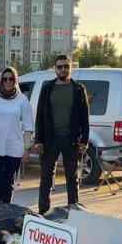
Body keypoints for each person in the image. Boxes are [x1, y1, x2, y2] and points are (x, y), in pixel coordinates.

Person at [33, 54, 90, 215]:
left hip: (71, 140)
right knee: (46, 177)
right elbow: (40, 115)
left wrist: (84, 140)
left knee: (72, 178)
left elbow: (85, 117)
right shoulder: (47, 88)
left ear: (71, 68)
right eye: (60, 67)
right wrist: (38, 140)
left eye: (66, 66)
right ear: (55, 69)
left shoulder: (79, 89)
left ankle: (74, 212)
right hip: (50, 139)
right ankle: (43, 212)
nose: (63, 69)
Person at [0, 67, 34, 206]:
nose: (8, 82)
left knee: (8, 182)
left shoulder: (22, 100)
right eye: (5, 79)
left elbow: (28, 127)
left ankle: (6, 212)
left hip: (14, 148)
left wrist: (27, 148)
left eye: (11, 79)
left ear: (16, 81)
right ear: (1, 81)